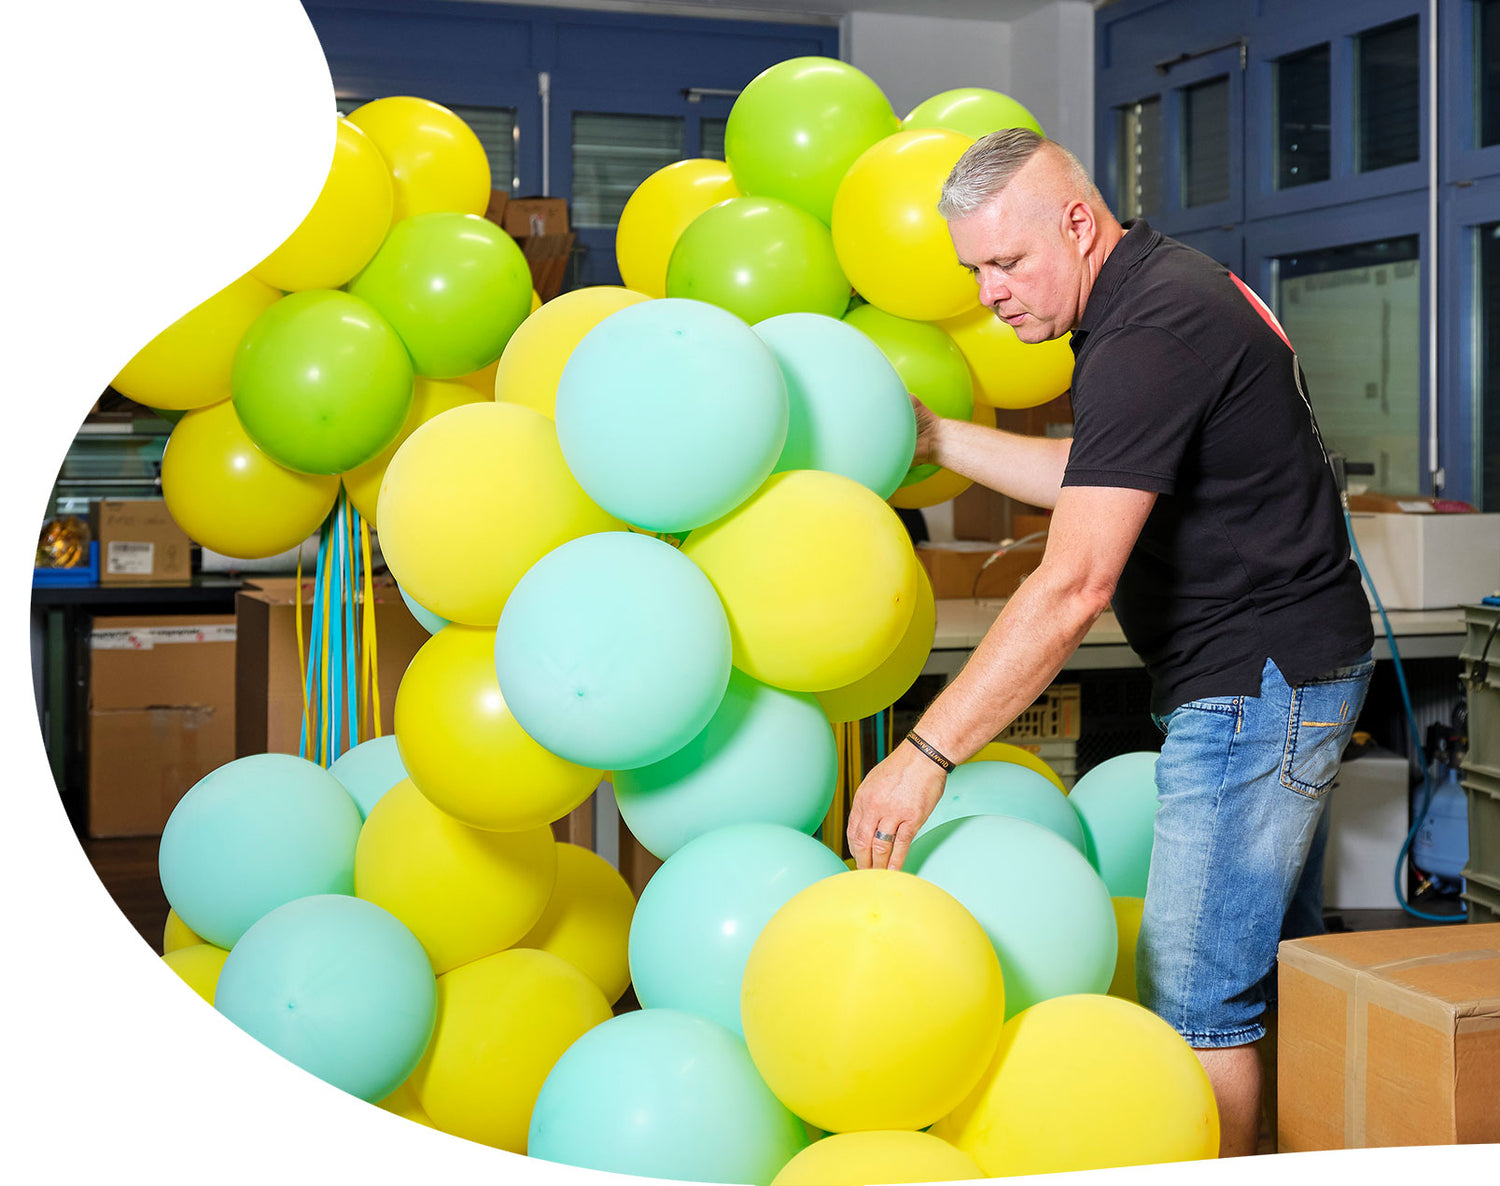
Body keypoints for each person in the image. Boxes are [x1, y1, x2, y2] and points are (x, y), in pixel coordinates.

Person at [846, 129, 1375, 1158]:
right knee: (1267, 966)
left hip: (1259, 681)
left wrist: (924, 753)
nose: (991, 294)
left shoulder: (1149, 331)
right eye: (975, 271)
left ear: (1079, 224)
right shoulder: (1156, 291)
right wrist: (941, 438)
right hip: (1292, 663)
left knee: (1198, 1002)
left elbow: (1073, 585)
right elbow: (1101, 471)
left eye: (1008, 262)